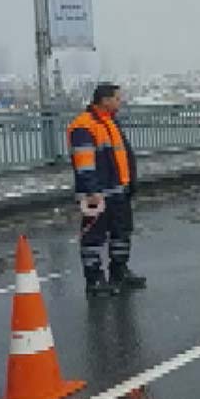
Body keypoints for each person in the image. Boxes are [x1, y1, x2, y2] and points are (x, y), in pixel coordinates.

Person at [67, 83, 145, 297]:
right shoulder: (85, 126)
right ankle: (94, 280)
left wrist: (129, 184)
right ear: (105, 100)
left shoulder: (109, 122)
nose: (120, 102)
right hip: (98, 194)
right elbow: (85, 164)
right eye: (117, 99)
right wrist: (92, 191)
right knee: (93, 237)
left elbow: (122, 156)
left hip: (118, 190)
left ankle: (119, 271)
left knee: (121, 233)